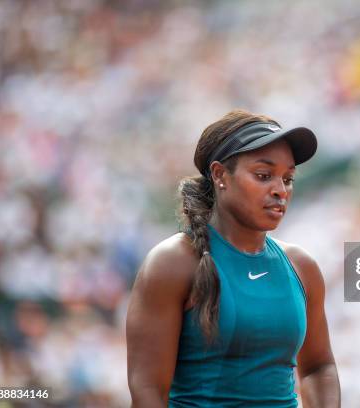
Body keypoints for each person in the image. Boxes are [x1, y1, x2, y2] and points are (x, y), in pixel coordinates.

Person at [126, 109, 340, 407]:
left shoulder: (301, 266)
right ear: (219, 175)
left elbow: (319, 367)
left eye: (288, 178)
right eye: (263, 176)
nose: (280, 190)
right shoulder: (172, 263)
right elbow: (147, 391)